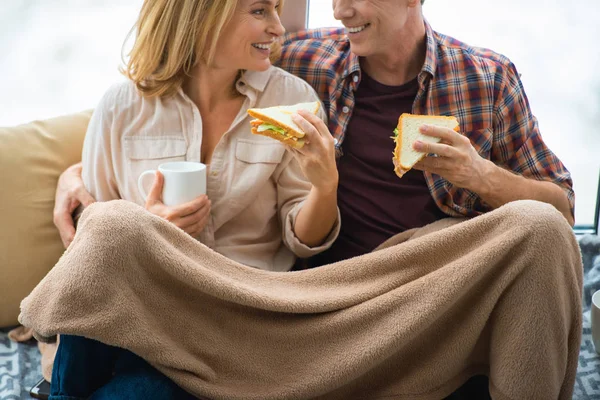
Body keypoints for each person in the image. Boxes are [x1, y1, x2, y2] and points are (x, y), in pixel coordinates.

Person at [47, 0, 580, 399]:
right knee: (113, 231)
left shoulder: (486, 78)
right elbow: (169, 87)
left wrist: (481, 175)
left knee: (539, 227)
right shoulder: (306, 63)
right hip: (312, 294)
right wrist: (78, 183)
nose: (340, 9)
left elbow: (562, 206)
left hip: (418, 284)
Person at [46, 0, 342, 399]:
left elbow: (300, 238)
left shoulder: (291, 101)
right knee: (110, 226)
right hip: (145, 308)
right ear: (203, 15)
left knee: (143, 394)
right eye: (260, 11)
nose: (278, 29)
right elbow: (92, 247)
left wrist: (324, 187)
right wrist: (149, 229)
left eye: (277, 10)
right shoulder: (122, 106)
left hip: (239, 313)